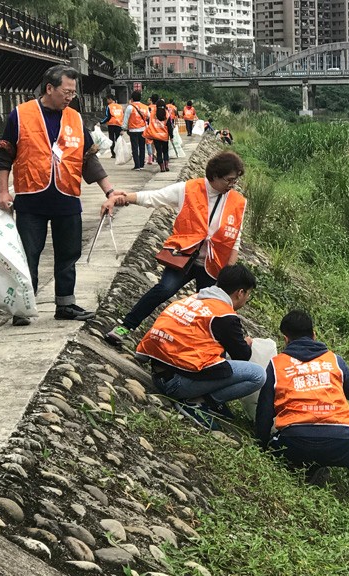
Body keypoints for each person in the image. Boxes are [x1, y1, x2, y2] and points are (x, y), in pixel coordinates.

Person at [0, 64, 117, 326]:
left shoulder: (74, 117)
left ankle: (65, 304)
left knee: (68, 254)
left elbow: (88, 159)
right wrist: (3, 191)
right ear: (49, 88)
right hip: (31, 198)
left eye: (73, 92)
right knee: (29, 253)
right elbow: (5, 154)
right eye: (66, 91)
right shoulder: (21, 114)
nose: (70, 97)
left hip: (67, 197)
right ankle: (24, 306)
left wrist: (109, 190)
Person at [102, 150, 247, 345]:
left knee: (209, 309)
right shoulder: (189, 189)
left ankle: (197, 348)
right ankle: (125, 327)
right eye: (228, 180)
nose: (232, 185)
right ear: (214, 176)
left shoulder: (238, 202)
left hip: (213, 264)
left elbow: (235, 238)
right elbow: (154, 197)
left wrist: (230, 271)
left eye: (235, 181)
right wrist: (123, 198)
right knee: (164, 289)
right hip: (184, 256)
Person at [256, 310, 349, 494]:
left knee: (274, 451)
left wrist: (260, 444)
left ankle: (303, 475)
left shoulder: (277, 364)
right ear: (314, 334)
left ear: (286, 339)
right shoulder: (333, 360)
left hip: (294, 440)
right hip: (338, 439)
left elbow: (265, 411)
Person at [135, 264, 265, 430]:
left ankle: (200, 397)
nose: (246, 300)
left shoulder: (193, 299)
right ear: (240, 293)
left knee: (217, 349)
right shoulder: (225, 315)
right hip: (177, 384)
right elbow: (242, 355)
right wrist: (245, 343)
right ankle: (197, 402)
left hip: (158, 373)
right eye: (248, 295)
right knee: (257, 375)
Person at [122, 90, 149, 171]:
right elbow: (148, 116)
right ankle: (141, 164)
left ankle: (137, 165)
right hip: (143, 129)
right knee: (142, 147)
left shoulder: (130, 107)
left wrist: (123, 128)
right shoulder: (145, 107)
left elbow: (125, 119)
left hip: (133, 130)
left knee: (135, 148)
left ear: (132, 98)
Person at [143, 99, 173, 172]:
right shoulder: (167, 114)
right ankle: (166, 165)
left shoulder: (153, 114)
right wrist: (171, 136)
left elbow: (148, 122)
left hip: (156, 135)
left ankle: (161, 167)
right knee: (165, 151)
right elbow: (169, 126)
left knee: (159, 152)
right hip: (164, 136)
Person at [99, 94, 123, 158]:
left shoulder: (109, 106)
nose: (107, 101)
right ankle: (119, 152)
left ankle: (113, 153)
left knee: (111, 139)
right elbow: (122, 115)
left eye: (107, 99)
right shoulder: (120, 106)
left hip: (111, 124)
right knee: (118, 139)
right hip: (119, 124)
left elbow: (108, 117)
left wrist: (101, 122)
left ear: (110, 99)